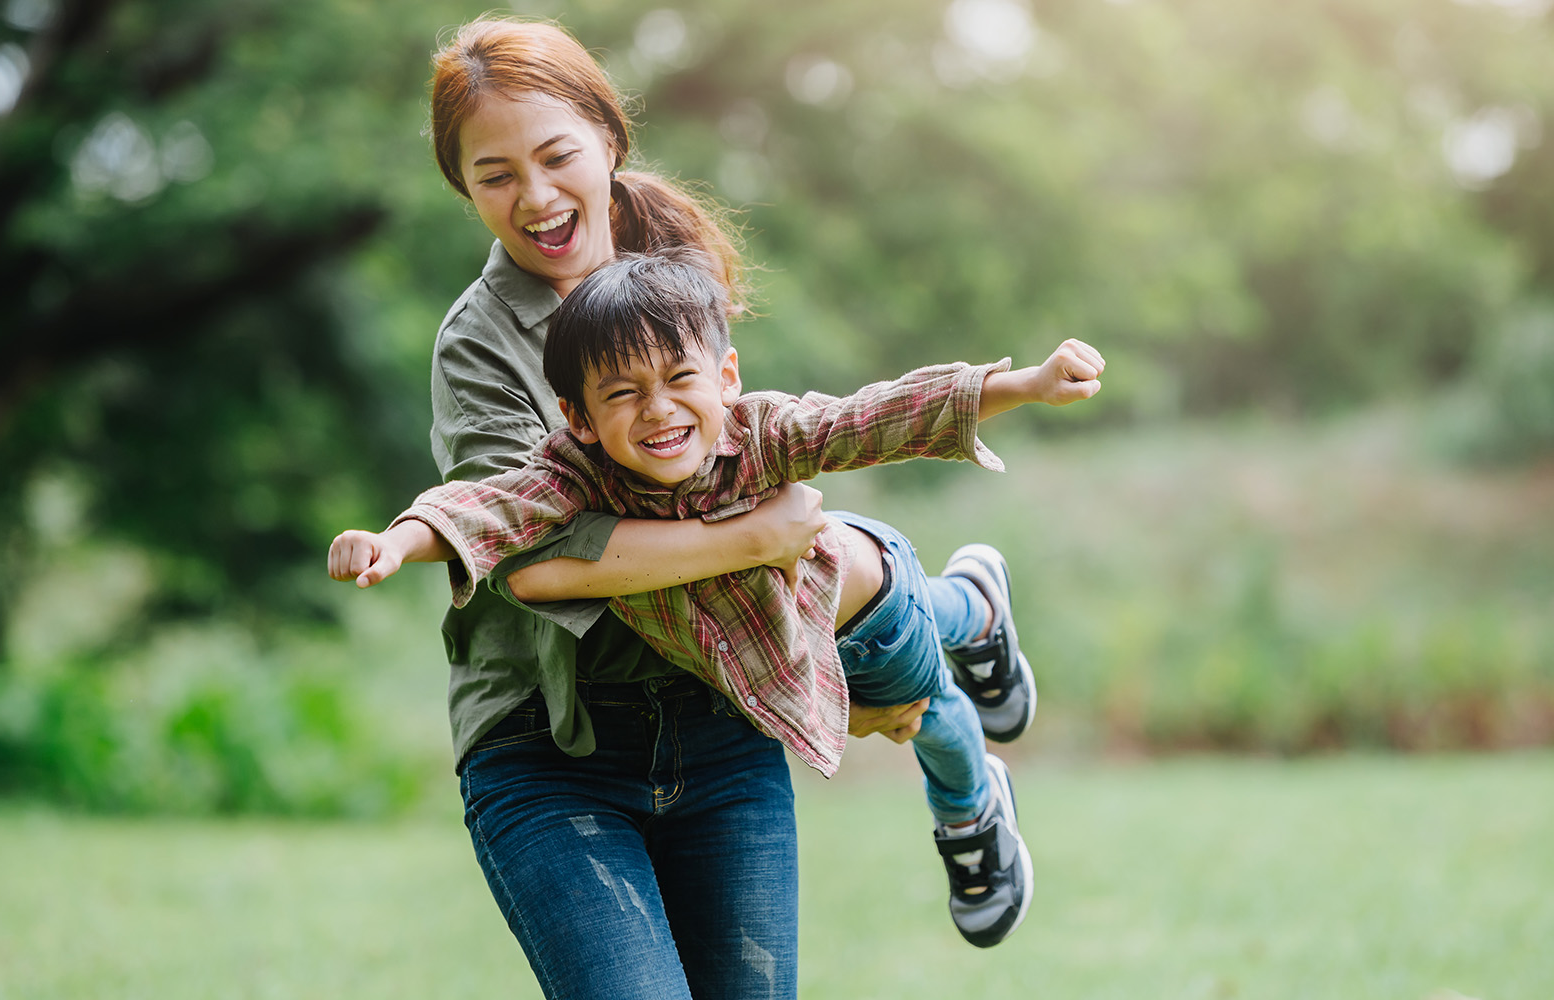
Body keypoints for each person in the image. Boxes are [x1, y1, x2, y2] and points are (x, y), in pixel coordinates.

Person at [373, 15, 942, 999]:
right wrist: (751, 539)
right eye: (494, 174)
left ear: (607, 140)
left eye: (556, 157)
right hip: (552, 742)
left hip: (718, 723)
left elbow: (770, 444)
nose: (537, 197)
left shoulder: (673, 269)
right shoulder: (478, 342)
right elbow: (539, 550)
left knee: (862, 554)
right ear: (462, 188)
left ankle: (957, 666)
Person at [329, 250, 1106, 945]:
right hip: (788, 640)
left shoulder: (763, 432)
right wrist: (395, 541)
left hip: (860, 611)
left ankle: (972, 786)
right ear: (578, 417)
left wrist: (1026, 385)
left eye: (679, 379)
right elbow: (488, 507)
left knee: (927, 709)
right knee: (928, 674)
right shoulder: (573, 476)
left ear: (725, 377)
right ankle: (972, 604)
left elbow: (874, 416)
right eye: (624, 393)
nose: (659, 409)